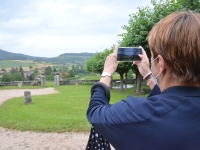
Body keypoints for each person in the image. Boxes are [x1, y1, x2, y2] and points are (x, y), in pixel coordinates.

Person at [86, 11, 200, 150]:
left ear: (161, 64)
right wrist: (148, 75)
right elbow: (174, 101)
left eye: (153, 58)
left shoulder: (139, 113)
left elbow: (96, 112)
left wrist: (107, 72)